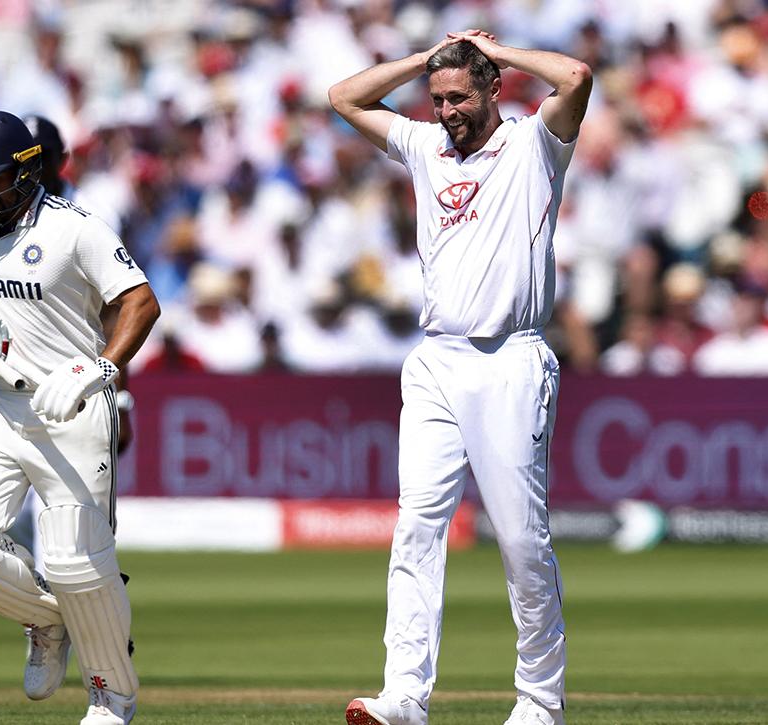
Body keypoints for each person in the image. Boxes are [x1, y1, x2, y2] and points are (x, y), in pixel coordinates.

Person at [330, 29, 591, 725]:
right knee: (417, 524)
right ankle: (405, 695)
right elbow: (343, 97)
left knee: (519, 537)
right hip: (436, 360)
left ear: (493, 89)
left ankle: (540, 699)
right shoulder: (423, 146)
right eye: (438, 99)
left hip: (511, 357)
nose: (447, 111)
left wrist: (498, 51)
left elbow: (575, 76)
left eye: (460, 96)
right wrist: (428, 59)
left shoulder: (535, 145)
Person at [0, 110, 159, 725]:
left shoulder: (78, 228)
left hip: (72, 404)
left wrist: (102, 371)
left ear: (29, 172)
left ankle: (112, 698)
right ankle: (47, 616)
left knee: (72, 561)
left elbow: (140, 301)